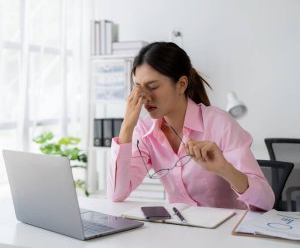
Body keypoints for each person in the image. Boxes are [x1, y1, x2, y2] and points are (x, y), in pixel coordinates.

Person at [107, 42, 274, 211]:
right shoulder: (144, 131)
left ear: (181, 84)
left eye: (153, 87)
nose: (145, 97)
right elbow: (116, 194)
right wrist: (127, 127)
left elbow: (266, 201)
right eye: (139, 89)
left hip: (225, 231)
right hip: (180, 228)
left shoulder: (219, 123)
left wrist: (224, 169)